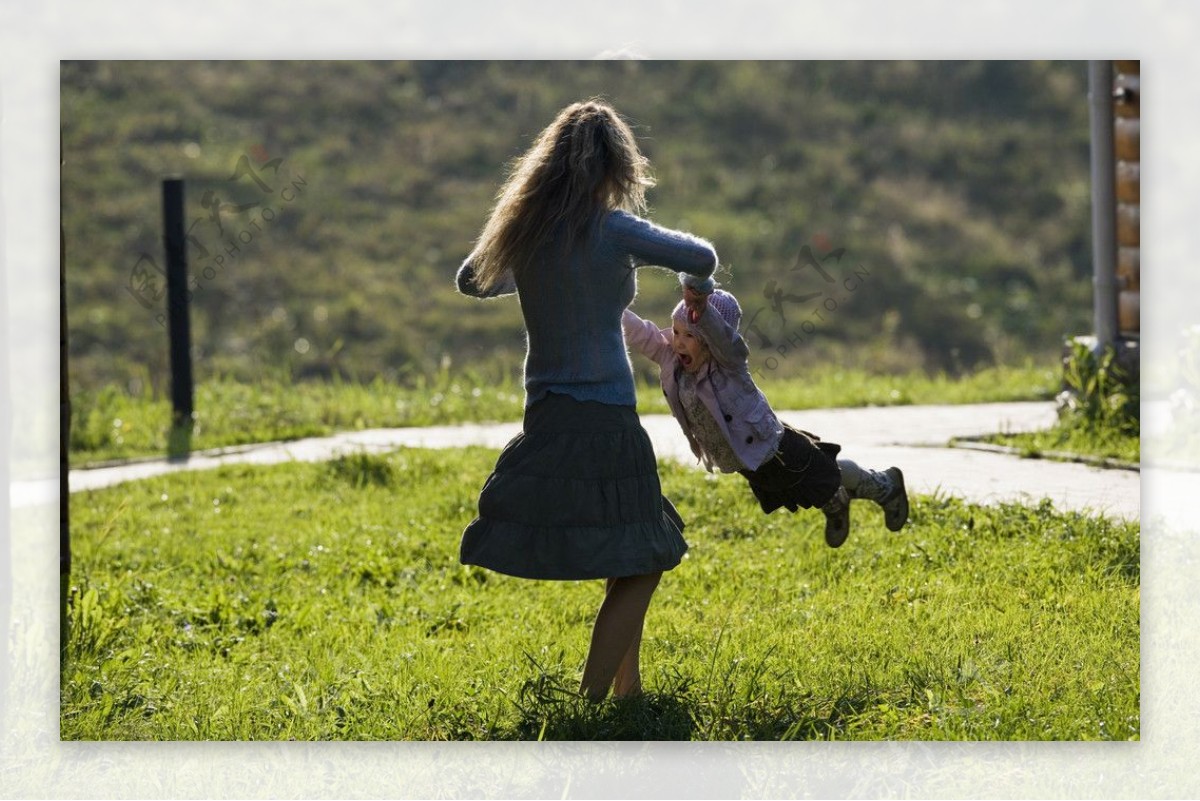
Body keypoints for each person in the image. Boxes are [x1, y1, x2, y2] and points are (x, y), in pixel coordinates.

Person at [454, 99, 719, 702]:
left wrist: (517, 236)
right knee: (645, 556)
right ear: (614, 168)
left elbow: (472, 279)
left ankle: (628, 693)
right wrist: (696, 294)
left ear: (545, 168)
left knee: (625, 552)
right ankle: (592, 701)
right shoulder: (611, 228)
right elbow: (701, 257)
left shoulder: (531, 234)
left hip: (546, 412)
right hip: (603, 413)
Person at [623, 284, 909, 548]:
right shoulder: (672, 360)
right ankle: (835, 500)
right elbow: (643, 334)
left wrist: (703, 309)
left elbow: (723, 338)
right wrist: (608, 306)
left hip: (775, 447)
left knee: (825, 473)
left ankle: (884, 484)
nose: (679, 342)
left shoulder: (729, 364)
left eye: (690, 336)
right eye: (676, 332)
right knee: (795, 490)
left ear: (710, 341)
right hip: (746, 459)